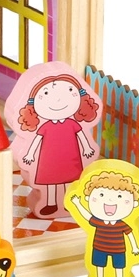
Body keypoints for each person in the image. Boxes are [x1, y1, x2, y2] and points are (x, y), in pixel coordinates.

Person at [17, 71, 99, 216]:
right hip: (49, 159)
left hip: (70, 157)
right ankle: (51, 204)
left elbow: (81, 135)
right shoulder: (45, 126)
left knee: (70, 179)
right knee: (51, 182)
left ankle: (68, 201)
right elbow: (37, 140)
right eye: (46, 93)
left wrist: (87, 148)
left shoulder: (73, 123)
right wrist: (30, 154)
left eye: (69, 91)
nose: (58, 100)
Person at [70, 170, 139, 277]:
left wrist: (135, 247)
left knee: (119, 267)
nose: (109, 200)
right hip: (99, 247)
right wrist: (77, 204)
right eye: (101, 195)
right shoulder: (98, 221)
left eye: (120, 196)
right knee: (99, 265)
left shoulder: (121, 224)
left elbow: (130, 233)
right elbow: (87, 216)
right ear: (88, 198)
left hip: (118, 249)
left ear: (134, 204)